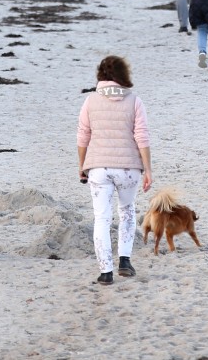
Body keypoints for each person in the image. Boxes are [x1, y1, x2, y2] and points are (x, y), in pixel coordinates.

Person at [78, 56, 153, 285]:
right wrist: (148, 168)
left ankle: (105, 272)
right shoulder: (134, 101)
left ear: (100, 75)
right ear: (123, 75)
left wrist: (82, 166)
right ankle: (125, 261)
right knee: (127, 211)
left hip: (99, 167)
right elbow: (141, 136)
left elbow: (83, 136)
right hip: (129, 168)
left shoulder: (90, 101)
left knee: (101, 218)